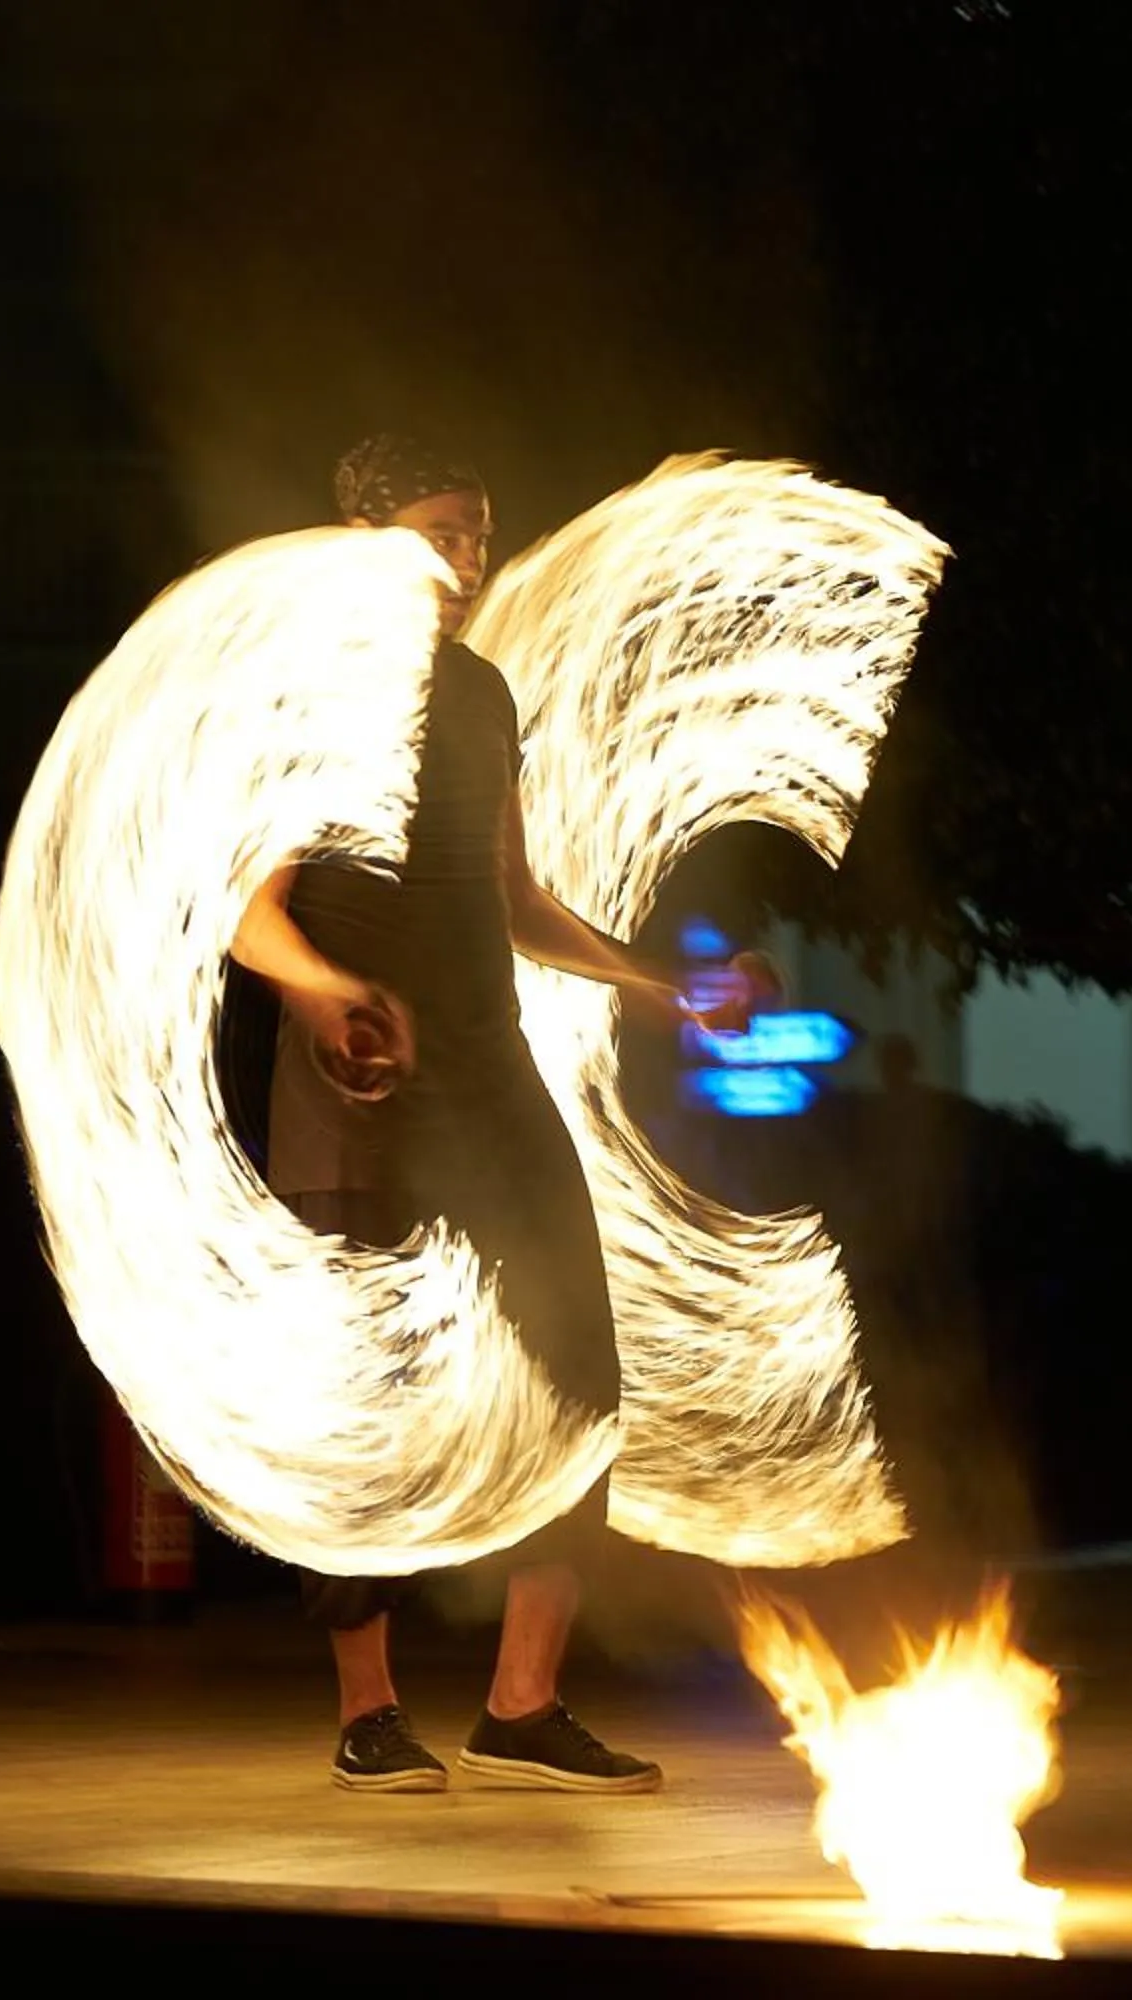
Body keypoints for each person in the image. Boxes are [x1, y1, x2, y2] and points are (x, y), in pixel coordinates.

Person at [231, 434, 742, 1794]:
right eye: (443, 533)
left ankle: (522, 1702)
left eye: (481, 534)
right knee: (375, 1402)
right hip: (356, 1097)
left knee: (577, 1368)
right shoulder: (305, 697)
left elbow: (513, 900)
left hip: (491, 1081)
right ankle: (368, 1710)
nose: (467, 561)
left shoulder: (479, 694)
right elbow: (249, 914)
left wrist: (655, 982)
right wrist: (336, 995)